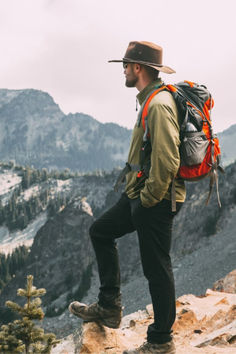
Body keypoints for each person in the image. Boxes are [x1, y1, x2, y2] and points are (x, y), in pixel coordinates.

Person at [69, 41, 186, 354]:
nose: (122, 70)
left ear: (138, 68)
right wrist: (138, 194)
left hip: (156, 200)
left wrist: (147, 199)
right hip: (140, 194)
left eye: (125, 64)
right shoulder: (149, 100)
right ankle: (109, 308)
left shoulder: (159, 105)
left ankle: (161, 341)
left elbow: (166, 160)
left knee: (156, 268)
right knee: (101, 230)